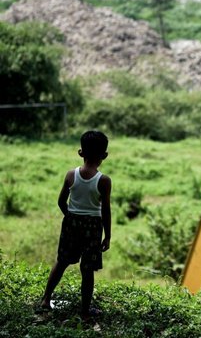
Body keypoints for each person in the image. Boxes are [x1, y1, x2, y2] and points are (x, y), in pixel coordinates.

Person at [39, 130, 112, 321]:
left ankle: (46, 299)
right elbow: (106, 211)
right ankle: (85, 312)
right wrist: (108, 235)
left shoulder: (71, 175)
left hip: (71, 223)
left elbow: (61, 201)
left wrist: (70, 217)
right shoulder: (104, 181)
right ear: (104, 156)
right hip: (93, 227)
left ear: (80, 152)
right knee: (87, 270)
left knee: (62, 261)